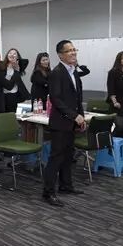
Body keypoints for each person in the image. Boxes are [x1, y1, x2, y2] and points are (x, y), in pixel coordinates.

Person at [44, 40, 85, 207]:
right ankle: (48, 192)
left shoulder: (74, 72)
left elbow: (77, 98)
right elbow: (56, 99)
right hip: (60, 123)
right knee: (56, 158)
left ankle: (65, 185)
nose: (73, 53)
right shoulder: (57, 73)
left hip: (71, 123)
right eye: (69, 51)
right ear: (60, 55)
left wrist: (81, 118)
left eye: (74, 49)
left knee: (68, 156)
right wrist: (74, 116)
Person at [106, 51, 123, 140]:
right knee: (120, 126)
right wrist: (115, 102)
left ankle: (121, 146)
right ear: (119, 60)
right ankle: (110, 143)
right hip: (118, 101)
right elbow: (111, 88)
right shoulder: (113, 72)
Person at [0, 48, 29, 114]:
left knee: (14, 114)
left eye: (14, 54)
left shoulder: (19, 66)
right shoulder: (2, 66)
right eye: (10, 53)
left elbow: (26, 61)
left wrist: (16, 64)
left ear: (18, 57)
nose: (12, 55)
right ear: (7, 55)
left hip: (14, 95)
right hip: (3, 95)